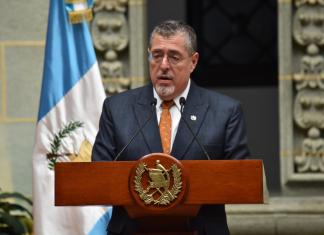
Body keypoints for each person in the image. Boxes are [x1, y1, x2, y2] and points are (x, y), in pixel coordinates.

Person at [92, 20, 250, 235]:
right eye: (157, 55)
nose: (164, 65)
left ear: (193, 62)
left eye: (174, 57)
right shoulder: (117, 109)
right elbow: (96, 177)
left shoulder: (225, 111)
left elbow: (241, 180)